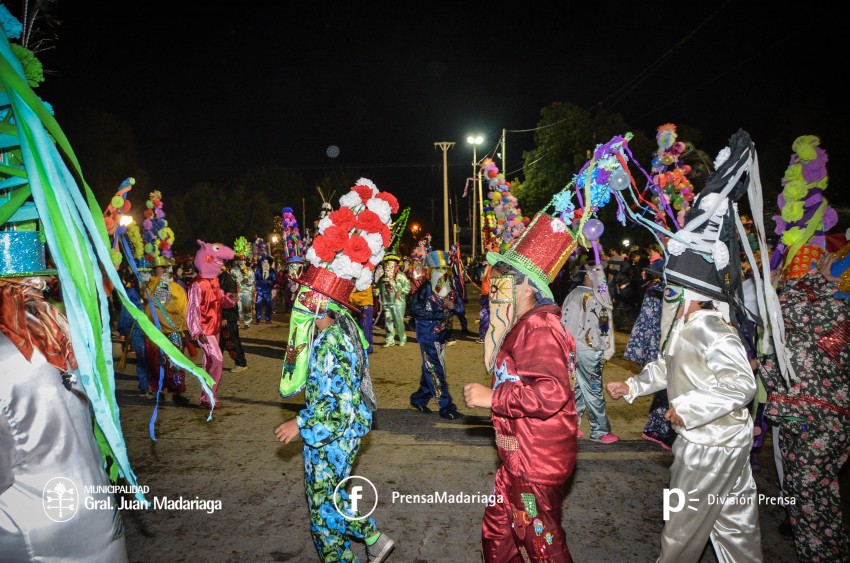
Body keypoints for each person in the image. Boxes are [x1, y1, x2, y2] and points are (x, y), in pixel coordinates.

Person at [276, 177, 397, 562]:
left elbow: (336, 404)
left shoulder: (331, 342)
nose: (299, 298)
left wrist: (301, 424)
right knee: (332, 497)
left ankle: (364, 543)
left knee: (324, 517)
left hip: (332, 436)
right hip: (342, 434)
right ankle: (374, 540)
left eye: (304, 294)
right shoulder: (341, 325)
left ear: (317, 302)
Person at [463, 206, 581, 563]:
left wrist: (493, 397)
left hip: (534, 462)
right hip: (518, 457)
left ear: (527, 287)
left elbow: (551, 392)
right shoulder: (529, 323)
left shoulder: (539, 328)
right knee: (499, 533)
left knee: (540, 540)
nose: (495, 293)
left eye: (502, 285)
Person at [761, 249, 850, 562]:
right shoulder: (822, 301)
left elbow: (788, 311)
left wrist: (819, 283)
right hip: (801, 412)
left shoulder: (835, 307)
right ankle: (829, 553)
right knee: (812, 495)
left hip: (821, 417)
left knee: (809, 497)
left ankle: (823, 556)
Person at [560, 262, 619, 443]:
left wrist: (608, 348)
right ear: (587, 276)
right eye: (596, 275)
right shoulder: (578, 295)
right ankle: (600, 431)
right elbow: (567, 326)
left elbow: (605, 324)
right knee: (593, 390)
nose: (601, 280)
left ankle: (571, 425)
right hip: (584, 350)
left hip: (592, 350)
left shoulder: (598, 295)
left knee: (578, 387)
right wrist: (568, 350)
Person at [408, 250, 464, 419]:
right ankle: (446, 407)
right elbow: (414, 309)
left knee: (431, 367)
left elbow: (461, 308)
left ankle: (419, 398)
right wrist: (438, 314)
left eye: (444, 268)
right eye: (438, 268)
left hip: (442, 335)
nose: (441, 271)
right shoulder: (425, 288)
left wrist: (453, 306)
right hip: (427, 334)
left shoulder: (451, 286)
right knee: (436, 369)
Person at [187, 240, 236, 409]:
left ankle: (206, 396)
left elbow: (221, 300)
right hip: (204, 330)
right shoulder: (197, 284)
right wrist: (196, 330)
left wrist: (230, 300)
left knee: (210, 361)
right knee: (217, 359)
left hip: (214, 328)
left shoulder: (215, 281)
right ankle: (208, 397)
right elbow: (193, 309)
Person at [143, 256, 192, 405]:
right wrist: (161, 282)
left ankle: (177, 391)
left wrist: (186, 327)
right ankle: (159, 390)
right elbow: (159, 301)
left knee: (176, 363)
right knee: (156, 363)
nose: (165, 270)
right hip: (156, 333)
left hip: (174, 331)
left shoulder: (177, 286)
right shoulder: (149, 284)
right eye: (161, 267)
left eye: (167, 267)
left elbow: (184, 307)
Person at [117, 275, 151, 397]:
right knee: (142, 357)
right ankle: (145, 385)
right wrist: (124, 331)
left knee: (153, 358)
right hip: (136, 330)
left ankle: (154, 384)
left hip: (153, 331)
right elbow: (125, 311)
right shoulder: (131, 293)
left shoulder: (155, 290)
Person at [219, 259, 247, 373]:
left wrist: (225, 316)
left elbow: (230, 300)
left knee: (232, 340)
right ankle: (215, 363)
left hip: (228, 316)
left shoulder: (227, 279)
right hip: (221, 316)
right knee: (219, 341)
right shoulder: (219, 278)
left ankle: (240, 362)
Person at [377, 252, 410, 347]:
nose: (388, 268)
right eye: (387, 266)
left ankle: (402, 338)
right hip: (387, 302)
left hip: (398, 303)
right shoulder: (383, 278)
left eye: (391, 266)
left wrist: (401, 291)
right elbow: (379, 287)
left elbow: (407, 287)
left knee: (398, 322)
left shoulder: (400, 276)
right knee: (388, 321)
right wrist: (377, 291)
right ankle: (390, 340)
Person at [255, 254, 275, 323]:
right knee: (257, 303)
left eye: (267, 262)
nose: (265, 264)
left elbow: (274, 280)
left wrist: (271, 282)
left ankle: (268, 318)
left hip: (267, 291)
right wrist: (257, 286)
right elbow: (256, 279)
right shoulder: (258, 271)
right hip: (260, 291)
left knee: (268, 304)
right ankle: (258, 318)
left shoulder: (272, 271)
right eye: (264, 262)